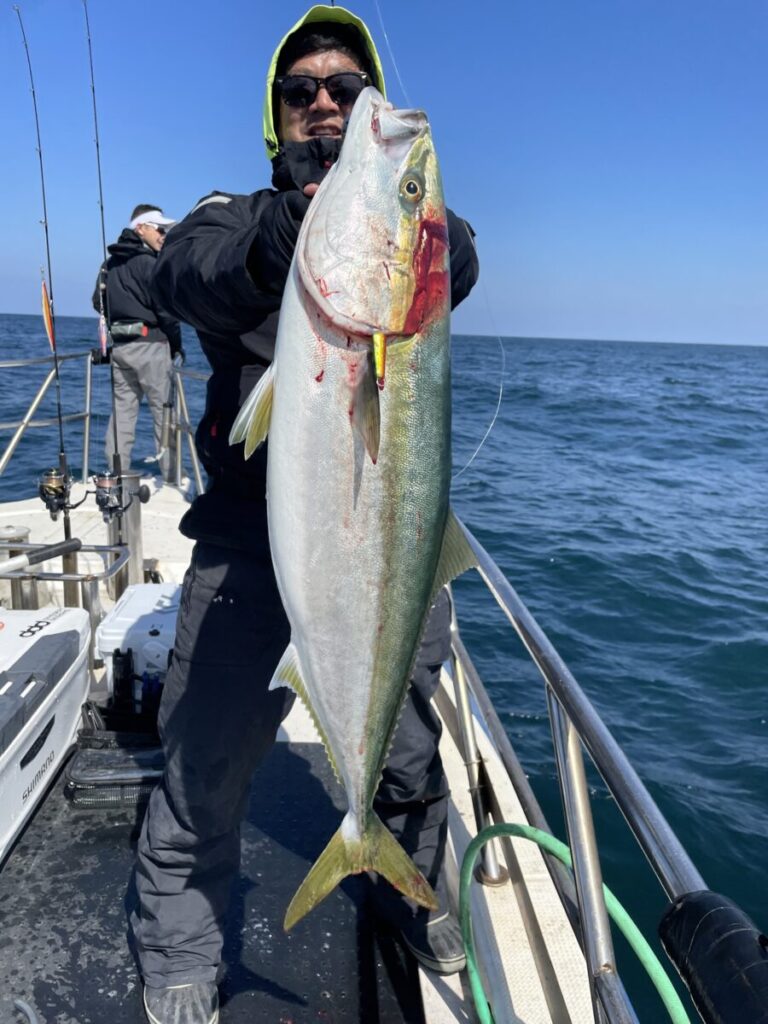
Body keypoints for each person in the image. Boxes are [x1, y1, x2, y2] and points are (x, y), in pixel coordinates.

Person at [133, 8, 479, 1023]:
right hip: (248, 546)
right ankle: (181, 945)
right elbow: (186, 272)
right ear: (276, 115)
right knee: (203, 759)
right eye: (303, 90)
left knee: (407, 751)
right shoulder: (234, 219)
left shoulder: (409, 232)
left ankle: (408, 885)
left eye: (346, 87)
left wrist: (408, 211)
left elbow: (456, 255)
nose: (327, 104)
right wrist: (285, 233)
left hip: (384, 545)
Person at [93, 205, 184, 479]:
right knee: (164, 412)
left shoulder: (108, 266)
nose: (163, 235)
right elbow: (166, 311)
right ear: (140, 229)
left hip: (121, 349)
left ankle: (116, 473)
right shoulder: (151, 264)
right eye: (159, 229)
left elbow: (97, 302)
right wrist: (176, 345)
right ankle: (171, 476)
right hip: (153, 347)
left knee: (122, 413)